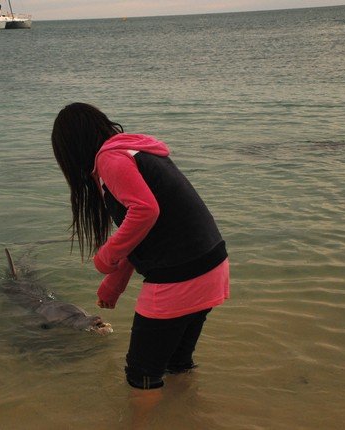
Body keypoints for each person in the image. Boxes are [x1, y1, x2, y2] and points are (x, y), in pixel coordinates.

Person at [51, 103, 229, 398]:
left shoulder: (110, 158)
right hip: (212, 265)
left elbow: (145, 211)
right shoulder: (134, 151)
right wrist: (116, 282)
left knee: (141, 376)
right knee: (176, 365)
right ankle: (185, 417)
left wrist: (105, 258)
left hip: (179, 276)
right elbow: (146, 231)